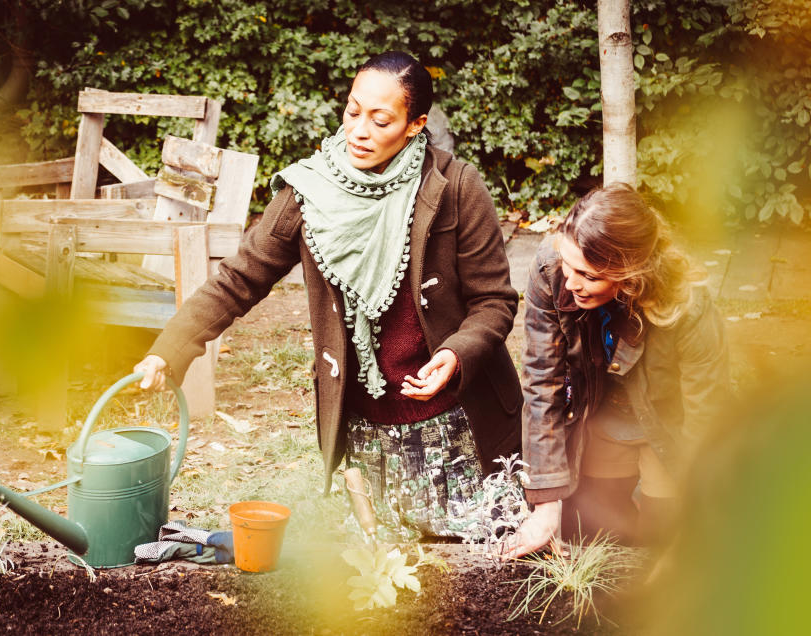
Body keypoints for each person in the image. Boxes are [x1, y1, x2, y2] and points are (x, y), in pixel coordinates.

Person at [135, 51, 522, 540]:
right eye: (352, 111)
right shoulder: (309, 191)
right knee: (379, 582)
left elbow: (495, 301)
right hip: (365, 430)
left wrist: (455, 352)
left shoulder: (458, 187)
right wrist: (168, 350)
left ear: (414, 124)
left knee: (476, 572)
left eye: (380, 120)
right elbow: (239, 279)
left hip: (454, 429)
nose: (360, 130)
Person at [502, 183, 729, 558]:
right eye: (569, 267)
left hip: (668, 425)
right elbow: (543, 383)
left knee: (666, 536)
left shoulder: (688, 305)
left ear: (633, 275)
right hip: (601, 417)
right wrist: (545, 504)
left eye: (590, 276)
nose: (571, 284)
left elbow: (707, 412)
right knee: (593, 526)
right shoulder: (551, 267)